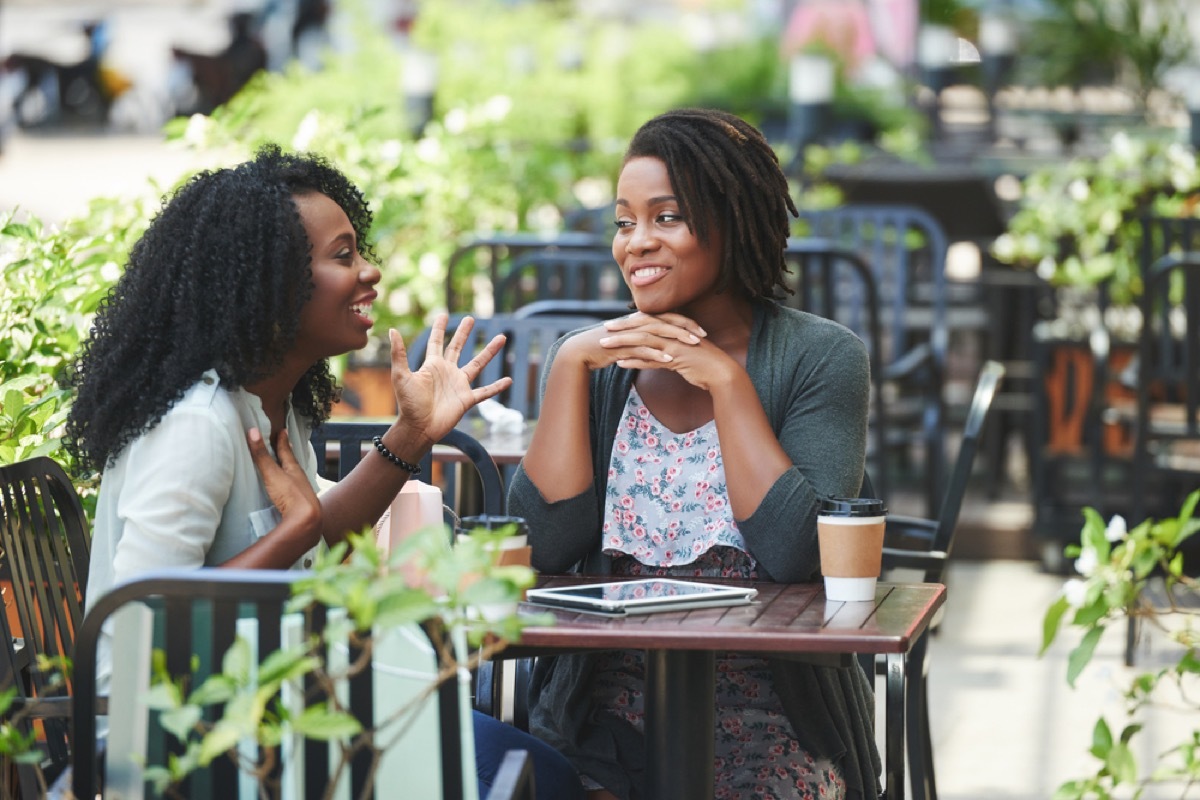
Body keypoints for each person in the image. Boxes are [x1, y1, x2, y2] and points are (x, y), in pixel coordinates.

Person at [65, 145, 583, 800]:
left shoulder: (272, 405)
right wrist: (295, 531)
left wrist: (412, 434)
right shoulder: (197, 425)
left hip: (271, 714)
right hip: (178, 750)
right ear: (271, 283)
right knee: (531, 777)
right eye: (343, 256)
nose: (368, 272)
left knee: (541, 767)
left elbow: (321, 533)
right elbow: (134, 643)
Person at [507, 108, 881, 800]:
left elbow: (794, 552)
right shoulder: (602, 366)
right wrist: (566, 366)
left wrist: (726, 381)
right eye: (624, 222)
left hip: (775, 714)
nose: (637, 244)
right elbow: (545, 544)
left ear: (731, 223)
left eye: (666, 218)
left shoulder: (822, 358)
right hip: (605, 716)